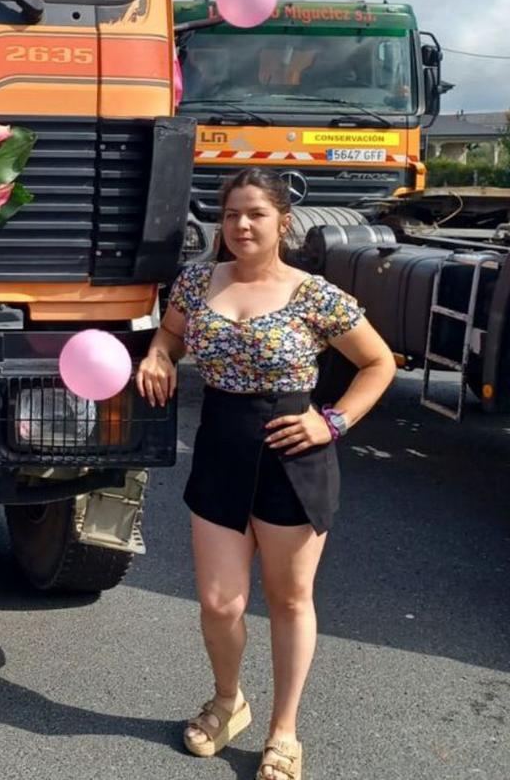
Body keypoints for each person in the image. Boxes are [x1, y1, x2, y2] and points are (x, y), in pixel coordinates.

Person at [136, 169, 395, 780]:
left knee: (288, 599)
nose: (241, 225)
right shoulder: (196, 281)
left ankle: (284, 732)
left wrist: (332, 423)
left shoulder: (315, 295)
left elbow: (380, 363)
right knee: (220, 601)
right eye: (230, 215)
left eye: (255, 213)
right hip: (221, 447)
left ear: (283, 221)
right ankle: (229, 702)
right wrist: (155, 354)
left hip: (294, 456)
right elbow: (170, 338)